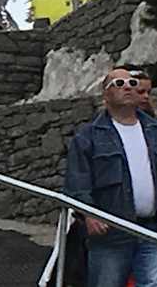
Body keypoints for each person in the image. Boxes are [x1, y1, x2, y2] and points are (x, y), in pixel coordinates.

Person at [64, 67, 157, 286]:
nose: (127, 86)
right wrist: (89, 214)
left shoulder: (153, 130)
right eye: (118, 83)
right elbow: (77, 182)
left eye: (132, 83)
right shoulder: (88, 137)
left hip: (151, 230)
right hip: (110, 234)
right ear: (105, 95)